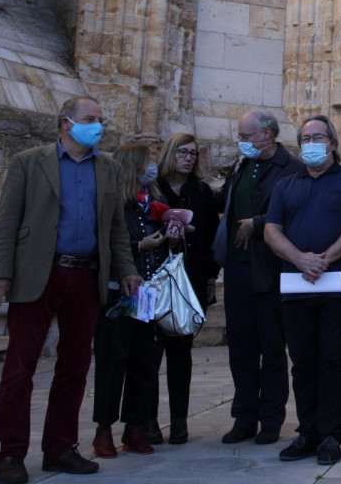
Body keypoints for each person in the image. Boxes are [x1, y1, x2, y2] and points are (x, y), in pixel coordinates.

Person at [0, 96, 138, 484]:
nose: (99, 126)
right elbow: (8, 222)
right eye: (91, 119)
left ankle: (59, 448)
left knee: (75, 366)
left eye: (101, 119)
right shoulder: (28, 162)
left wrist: (126, 270)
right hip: (39, 272)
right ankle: (11, 453)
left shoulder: (109, 169)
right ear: (66, 123)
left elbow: (116, 228)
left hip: (86, 275)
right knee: (20, 367)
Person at [264, 115, 341, 466]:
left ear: (333, 143)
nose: (312, 143)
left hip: (338, 288)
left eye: (319, 137)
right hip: (297, 287)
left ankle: (330, 434)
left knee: (334, 361)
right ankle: (307, 431)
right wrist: (300, 259)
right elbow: (271, 231)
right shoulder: (285, 185)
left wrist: (323, 260)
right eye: (306, 137)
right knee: (303, 362)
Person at [211, 109, 300, 445]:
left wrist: (258, 225)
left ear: (268, 134)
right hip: (237, 266)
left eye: (246, 135)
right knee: (241, 345)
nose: (242, 141)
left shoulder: (289, 169)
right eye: (240, 136)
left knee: (272, 345)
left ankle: (272, 418)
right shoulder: (240, 165)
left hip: (270, 267)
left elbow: (293, 213)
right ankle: (244, 416)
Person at [91, 144, 171, 459]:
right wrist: (140, 245)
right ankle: (104, 428)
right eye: (148, 162)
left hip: (147, 293)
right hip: (118, 293)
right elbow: (109, 245)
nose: (152, 167)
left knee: (145, 362)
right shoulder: (117, 204)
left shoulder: (152, 204)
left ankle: (135, 425)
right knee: (113, 362)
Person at [151, 132, 221, 445]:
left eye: (193, 153)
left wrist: (209, 279)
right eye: (182, 152)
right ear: (169, 154)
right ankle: (147, 420)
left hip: (188, 280)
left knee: (181, 352)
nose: (188, 158)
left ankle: (179, 420)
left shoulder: (201, 192)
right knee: (148, 355)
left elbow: (210, 237)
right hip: (153, 280)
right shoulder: (152, 189)